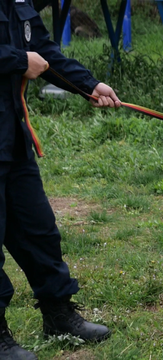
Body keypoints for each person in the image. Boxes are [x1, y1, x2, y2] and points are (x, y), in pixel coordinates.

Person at [1, 1, 121, 358]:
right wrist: (19, 61)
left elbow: (43, 50)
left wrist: (89, 85)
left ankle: (58, 314)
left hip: (12, 135)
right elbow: (27, 57)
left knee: (37, 228)